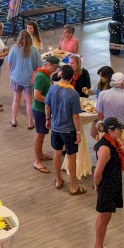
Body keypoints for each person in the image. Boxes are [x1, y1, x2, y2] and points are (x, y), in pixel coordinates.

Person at [91, 117, 124, 248]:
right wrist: (97, 187)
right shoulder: (105, 148)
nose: (122, 131)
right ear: (110, 131)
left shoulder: (114, 144)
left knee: (105, 217)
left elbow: (123, 164)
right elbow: (97, 173)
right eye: (119, 129)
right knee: (104, 217)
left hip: (112, 184)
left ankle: (99, 246)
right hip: (106, 186)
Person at [44, 65, 85, 194]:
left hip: (56, 128)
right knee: (71, 157)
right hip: (69, 130)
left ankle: (58, 180)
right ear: (72, 77)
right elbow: (75, 116)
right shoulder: (73, 94)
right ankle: (73, 186)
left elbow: (47, 106)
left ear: (61, 74)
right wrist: (78, 132)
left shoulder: (52, 88)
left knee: (56, 153)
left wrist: (48, 120)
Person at [92, 72, 124, 159]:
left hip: (106, 129)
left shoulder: (102, 94)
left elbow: (99, 114)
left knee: (104, 155)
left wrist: (100, 130)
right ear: (123, 84)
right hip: (122, 130)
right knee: (120, 157)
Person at [31, 55, 60, 173]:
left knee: (42, 135)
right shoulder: (41, 77)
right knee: (40, 135)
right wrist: (50, 101)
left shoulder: (44, 75)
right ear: (48, 64)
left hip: (43, 110)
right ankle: (37, 161)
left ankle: (41, 155)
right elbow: (37, 96)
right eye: (54, 67)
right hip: (39, 110)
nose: (55, 69)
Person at [6, 30, 41, 128]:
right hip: (29, 80)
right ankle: (30, 123)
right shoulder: (34, 50)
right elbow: (39, 66)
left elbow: (9, 64)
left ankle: (13, 120)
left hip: (16, 78)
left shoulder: (14, 48)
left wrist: (13, 73)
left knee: (16, 99)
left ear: (19, 38)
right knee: (29, 101)